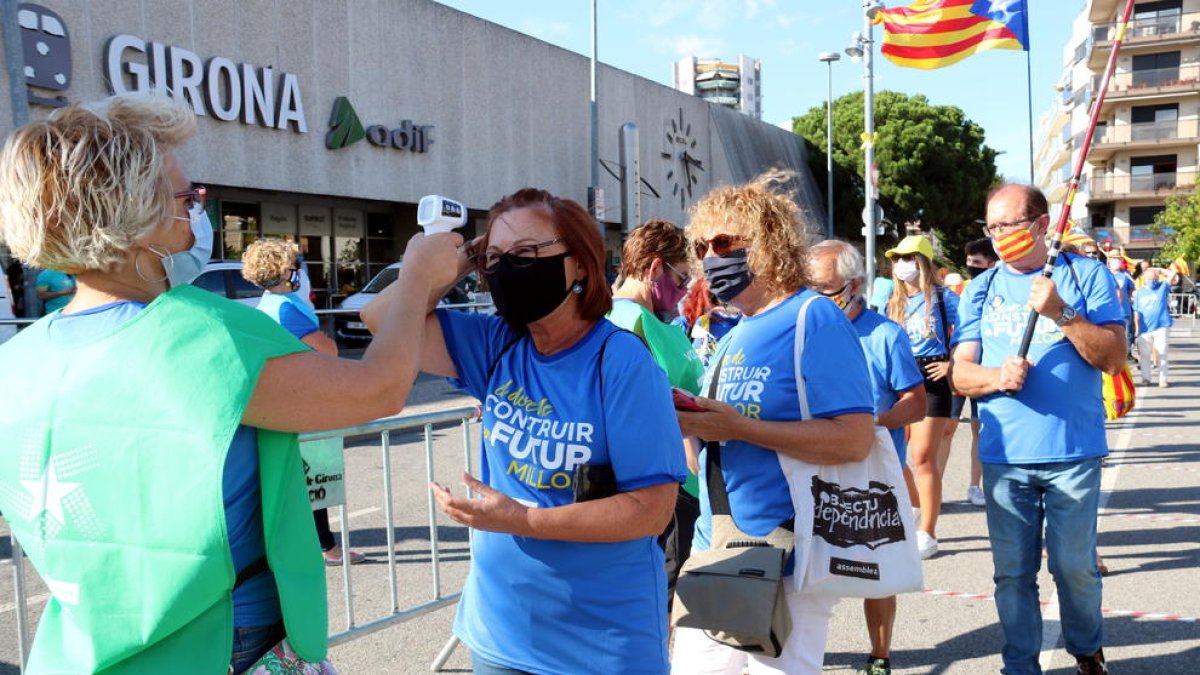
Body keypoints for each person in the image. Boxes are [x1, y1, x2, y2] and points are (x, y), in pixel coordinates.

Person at [0, 95, 460, 672]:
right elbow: (379, 389)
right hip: (225, 640)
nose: (197, 210)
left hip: (84, 647)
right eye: (185, 197)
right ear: (138, 216)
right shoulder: (206, 334)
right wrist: (418, 274)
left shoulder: (17, 360)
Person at [372, 188, 685, 674]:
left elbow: (651, 510)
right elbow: (380, 320)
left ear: (579, 263)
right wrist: (465, 259)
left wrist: (524, 520)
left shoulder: (621, 362)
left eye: (525, 254)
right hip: (500, 637)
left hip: (599, 647)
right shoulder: (497, 343)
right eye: (496, 259)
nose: (506, 269)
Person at [670, 172, 875, 674]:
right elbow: (720, 436)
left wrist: (740, 428)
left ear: (768, 242)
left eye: (724, 242)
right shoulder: (735, 332)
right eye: (702, 246)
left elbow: (855, 438)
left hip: (788, 553)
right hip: (718, 543)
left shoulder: (813, 318)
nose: (711, 256)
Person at [951, 184, 1125, 675]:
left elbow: (1112, 358)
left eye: (1008, 225)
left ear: (1042, 224)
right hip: (1005, 457)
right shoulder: (980, 289)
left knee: (1074, 570)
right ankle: (1020, 665)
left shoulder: (1086, 275)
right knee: (1012, 575)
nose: (998, 235)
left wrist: (1060, 312)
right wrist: (993, 378)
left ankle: (1087, 647)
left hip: (1072, 452)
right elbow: (961, 372)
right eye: (992, 226)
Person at [808, 240, 926, 675]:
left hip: (874, 475)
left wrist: (873, 422)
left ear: (854, 285)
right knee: (811, 568)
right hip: (816, 468)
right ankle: (805, 654)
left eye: (824, 288)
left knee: (877, 570)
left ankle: (880, 657)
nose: (815, 296)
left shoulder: (885, 334)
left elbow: (916, 403)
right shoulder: (806, 330)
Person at [241, 238, 367, 567]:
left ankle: (310, 545)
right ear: (284, 273)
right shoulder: (286, 308)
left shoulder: (269, 303)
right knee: (314, 480)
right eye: (295, 265)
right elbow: (328, 350)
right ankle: (327, 547)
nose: (300, 271)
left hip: (283, 401)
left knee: (297, 480)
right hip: (299, 405)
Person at [607, 218, 705, 613]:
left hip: (682, 478)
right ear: (654, 268)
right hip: (667, 477)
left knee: (671, 585)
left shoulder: (655, 323)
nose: (683, 293)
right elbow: (644, 402)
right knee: (663, 590)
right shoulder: (625, 323)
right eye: (681, 280)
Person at [884, 234, 957, 559]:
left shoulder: (943, 298)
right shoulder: (893, 301)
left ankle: (927, 531)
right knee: (895, 455)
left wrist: (952, 362)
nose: (902, 264)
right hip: (899, 378)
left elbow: (971, 333)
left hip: (932, 376)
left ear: (923, 261)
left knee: (923, 456)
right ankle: (914, 509)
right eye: (897, 258)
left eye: (909, 257)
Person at [949, 238, 999, 507]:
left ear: (991, 264)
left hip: (985, 372)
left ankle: (975, 486)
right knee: (947, 429)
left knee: (980, 432)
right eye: (968, 262)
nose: (971, 267)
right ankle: (931, 493)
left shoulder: (999, 289)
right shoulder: (961, 290)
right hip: (959, 369)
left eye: (977, 263)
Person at [1133, 267, 1174, 388]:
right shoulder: (1139, 292)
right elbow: (1137, 312)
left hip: (1161, 325)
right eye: (1150, 279)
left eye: (1154, 278)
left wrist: (1158, 270)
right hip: (1144, 329)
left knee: (1162, 353)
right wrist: (1136, 329)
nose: (1152, 281)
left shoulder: (1162, 287)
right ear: (1144, 279)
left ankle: (1163, 379)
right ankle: (1146, 378)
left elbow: (1172, 274)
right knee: (1145, 355)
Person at [1107, 256, 1136, 357]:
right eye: (1114, 259)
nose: (1117, 261)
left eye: (1119, 259)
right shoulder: (1105, 273)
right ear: (1109, 260)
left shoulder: (1126, 275)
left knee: (1127, 334)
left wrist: (1132, 296)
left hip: (1125, 310)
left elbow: (1131, 289)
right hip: (1109, 311)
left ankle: (1127, 354)